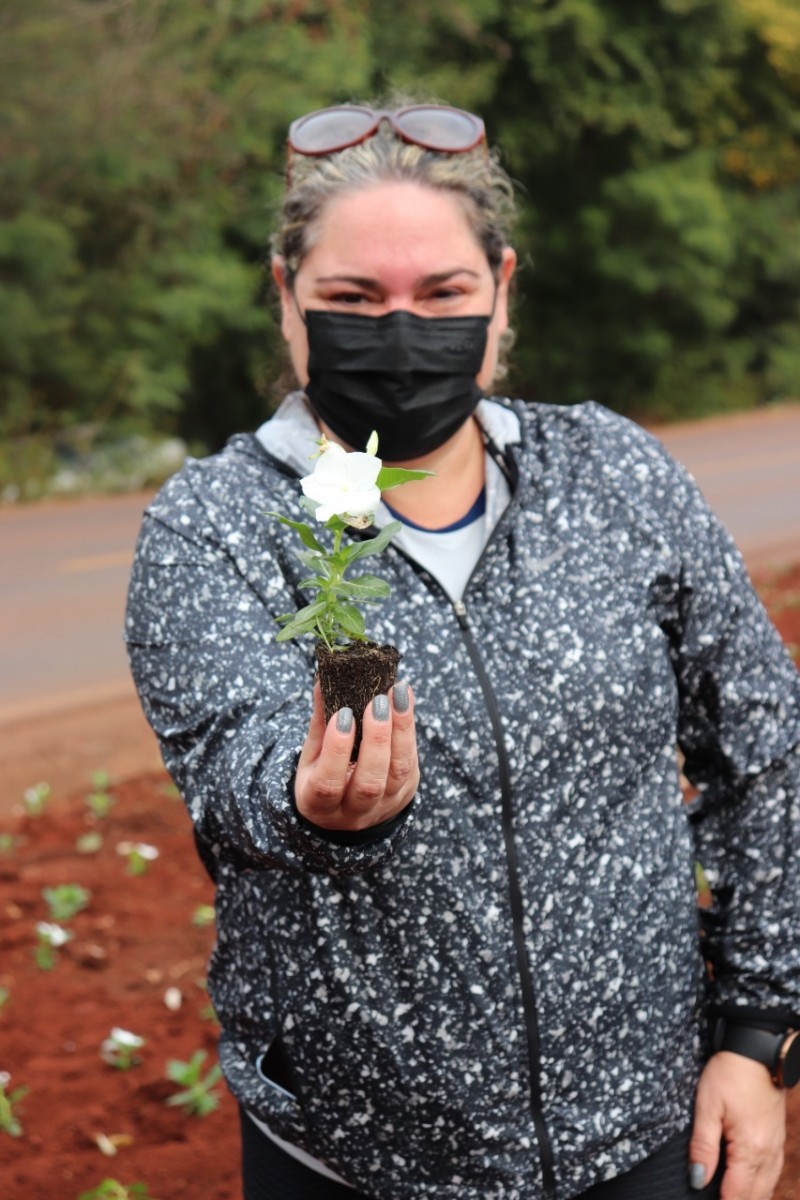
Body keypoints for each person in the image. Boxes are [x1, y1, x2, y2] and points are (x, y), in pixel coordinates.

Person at [125, 100, 800, 1200]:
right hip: (352, 1157)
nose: (399, 334)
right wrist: (310, 803)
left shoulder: (610, 475)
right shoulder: (219, 523)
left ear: (501, 290)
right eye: (352, 299)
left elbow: (764, 748)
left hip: (638, 1128)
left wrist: (760, 1028)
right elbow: (234, 760)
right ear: (285, 297)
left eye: (440, 295)